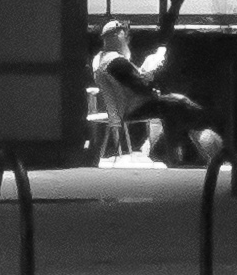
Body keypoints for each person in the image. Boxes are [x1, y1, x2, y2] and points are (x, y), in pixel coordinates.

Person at [91, 22, 221, 167]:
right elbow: (141, 87)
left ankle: (178, 153)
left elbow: (129, 83)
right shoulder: (116, 61)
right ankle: (184, 145)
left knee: (175, 104)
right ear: (117, 36)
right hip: (130, 108)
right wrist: (150, 73)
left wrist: (144, 76)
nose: (127, 39)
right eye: (125, 35)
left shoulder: (99, 59)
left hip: (117, 108)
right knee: (177, 104)